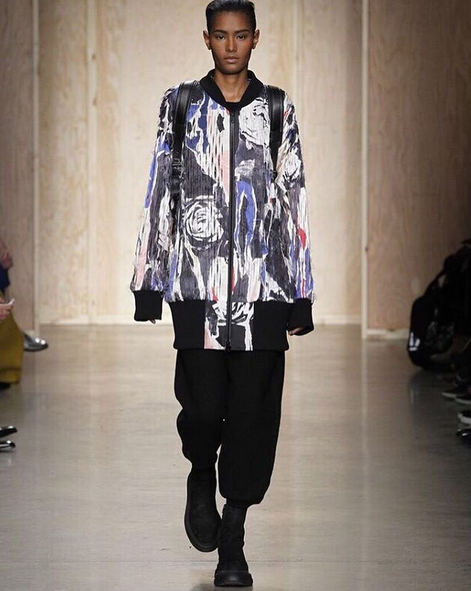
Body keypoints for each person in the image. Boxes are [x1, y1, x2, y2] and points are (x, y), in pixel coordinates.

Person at [131, 0, 314, 586]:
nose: (230, 46)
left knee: (253, 420)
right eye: (220, 35)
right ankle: (199, 471)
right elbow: (160, 191)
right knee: (204, 410)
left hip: (264, 292)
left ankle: (233, 540)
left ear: (255, 38)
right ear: (206, 39)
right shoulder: (181, 105)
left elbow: (294, 202)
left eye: (240, 35)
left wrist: (302, 291)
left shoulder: (278, 109)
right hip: (196, 288)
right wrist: (147, 279)